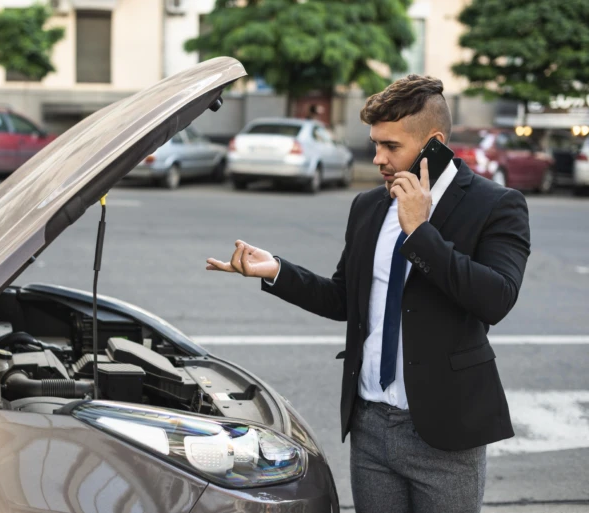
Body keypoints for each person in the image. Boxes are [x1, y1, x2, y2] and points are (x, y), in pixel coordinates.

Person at [206, 75, 531, 513]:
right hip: (371, 426)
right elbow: (343, 299)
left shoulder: (496, 205)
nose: (376, 158)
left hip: (446, 432)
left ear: (433, 142)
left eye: (391, 146)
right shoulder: (368, 206)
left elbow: (496, 299)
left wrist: (421, 231)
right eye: (374, 143)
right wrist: (278, 271)